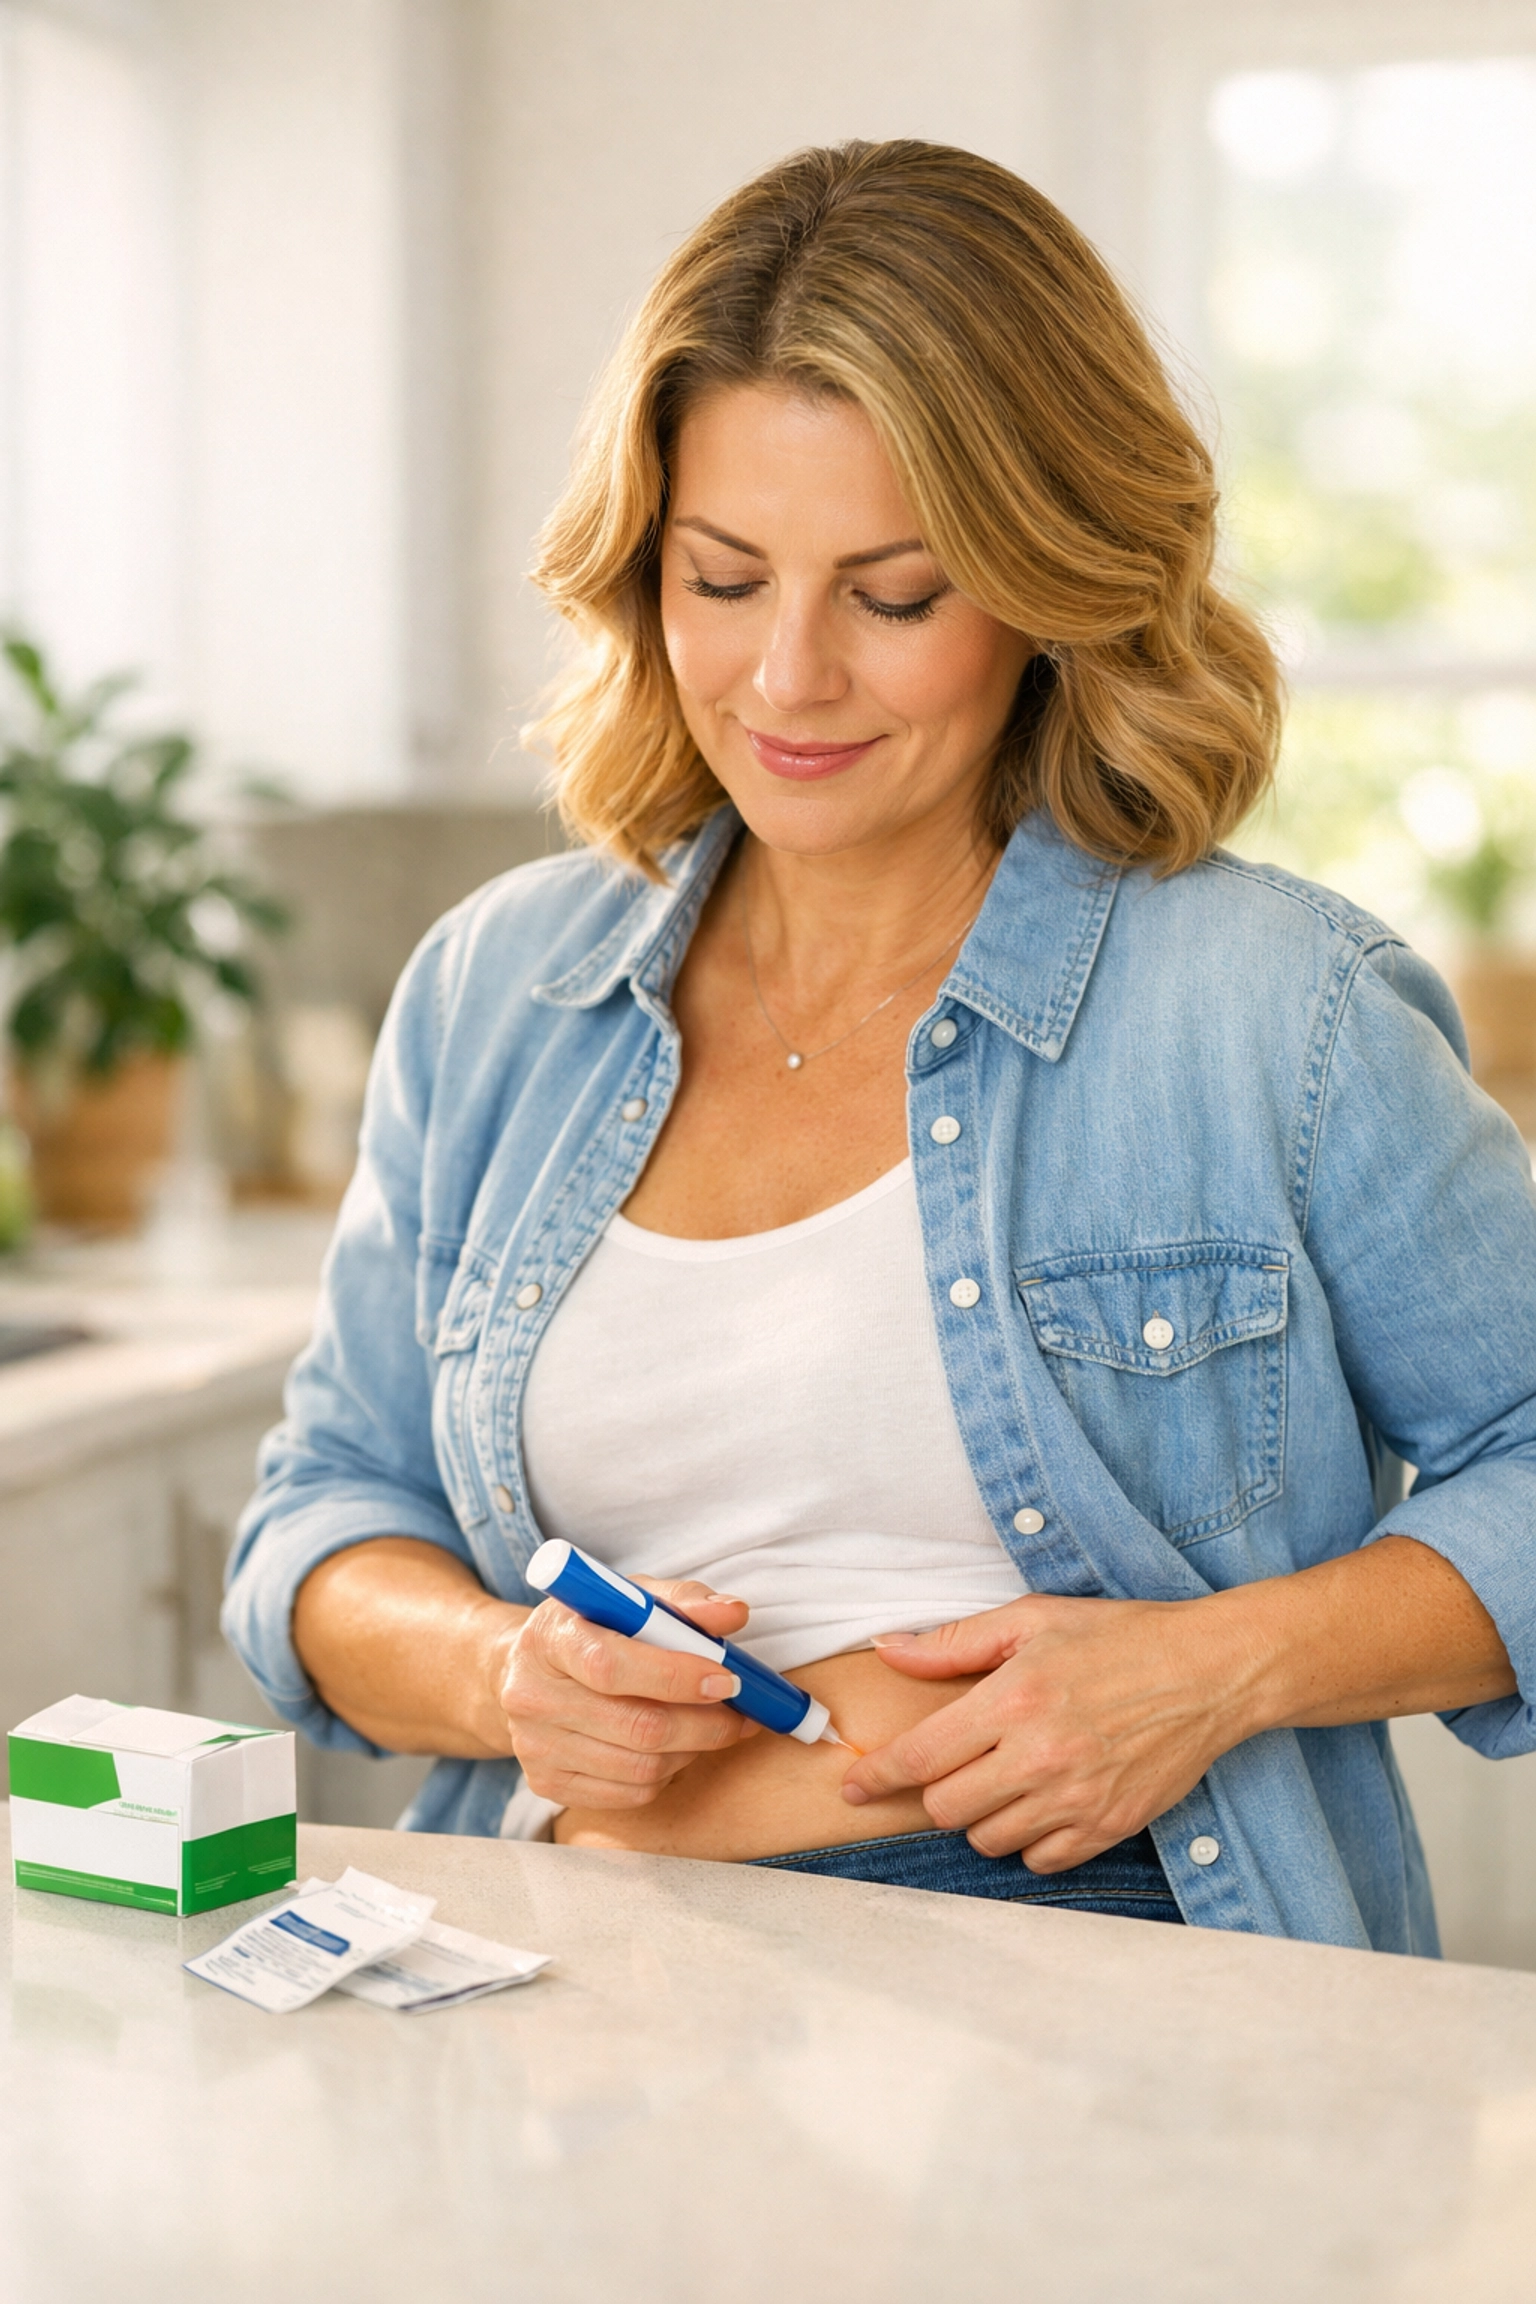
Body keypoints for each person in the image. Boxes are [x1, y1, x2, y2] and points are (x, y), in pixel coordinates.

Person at [226, 140, 1536, 1948]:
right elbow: (323, 1517)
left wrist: (1209, 1673)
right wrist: (498, 1673)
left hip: (1105, 1996)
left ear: (1048, 586)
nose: (788, 679)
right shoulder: (495, 995)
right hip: (554, 1978)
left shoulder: (1269, 1011)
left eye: (895, 594)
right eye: (723, 578)